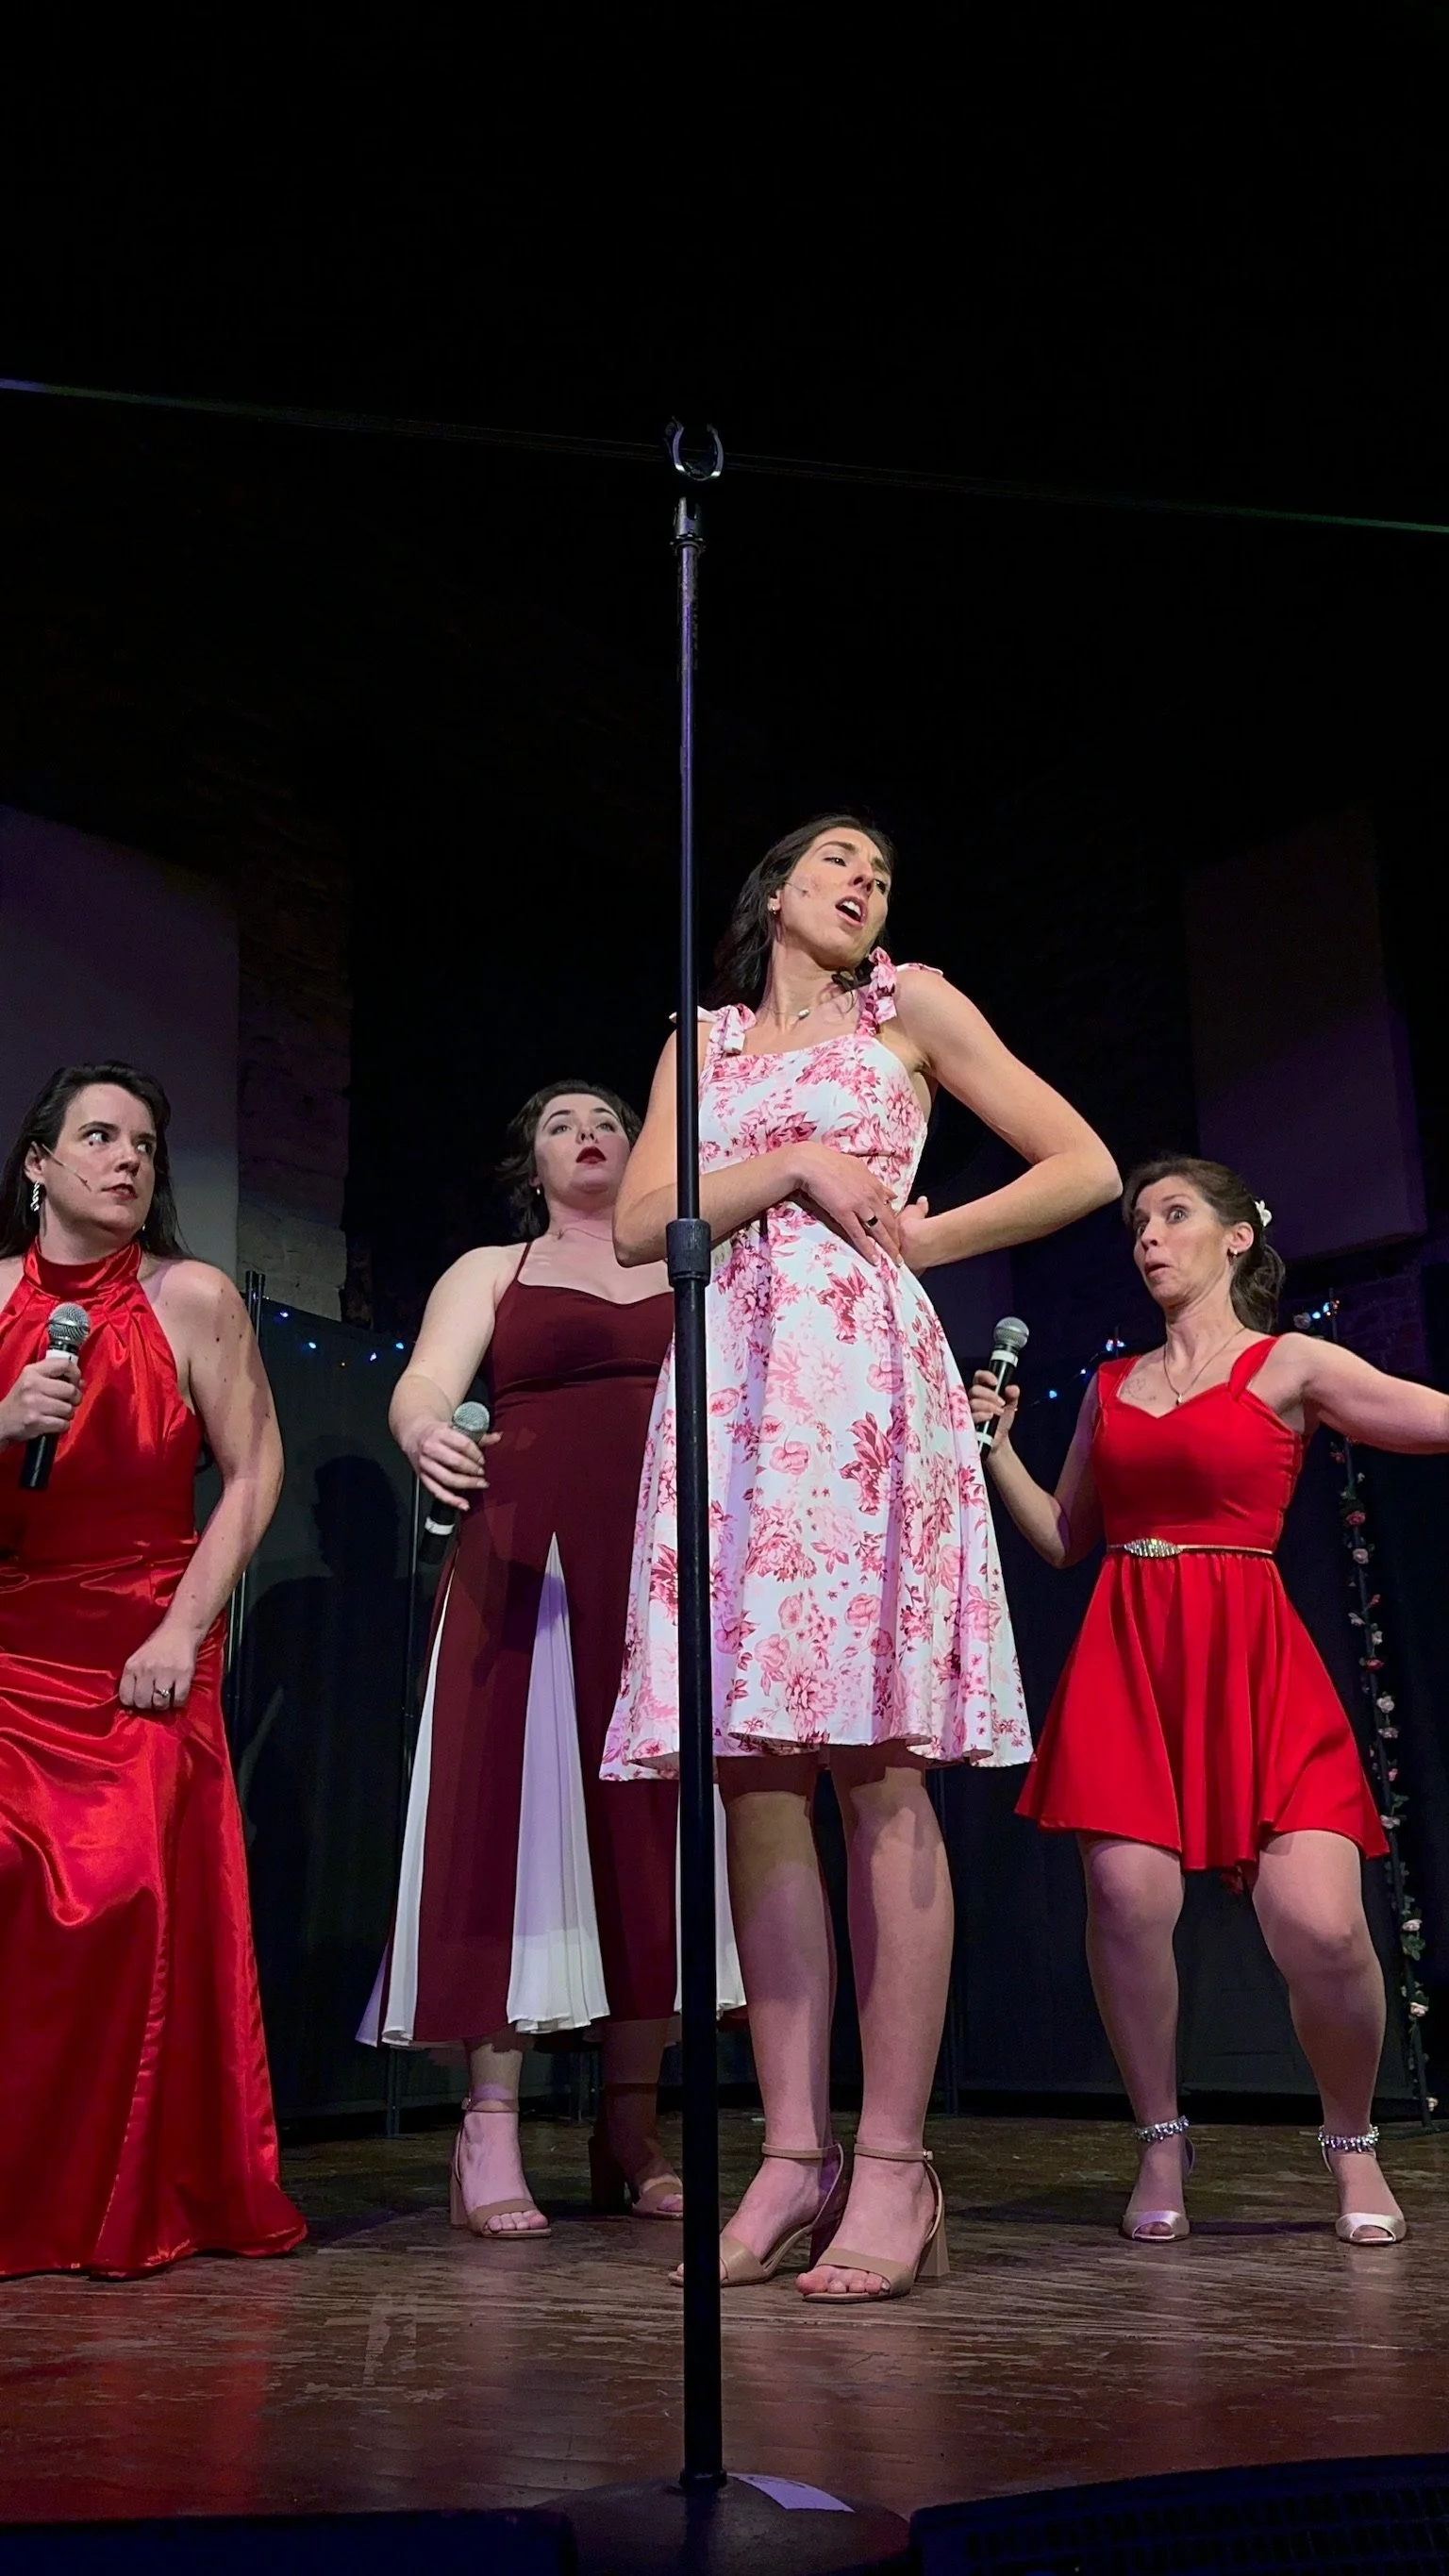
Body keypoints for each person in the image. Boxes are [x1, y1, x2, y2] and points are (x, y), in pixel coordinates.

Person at [604, 814, 1120, 2301]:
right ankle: (791, 2153)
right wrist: (792, 1162)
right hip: (728, 1395)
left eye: (882, 873)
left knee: (879, 1767)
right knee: (756, 1776)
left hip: (861, 1385)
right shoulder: (700, 1043)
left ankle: (894, 2160)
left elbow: (1082, 1162)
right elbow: (639, 1223)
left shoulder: (915, 1006)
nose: (865, 883)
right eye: (838, 861)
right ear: (774, 890)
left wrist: (924, 1240)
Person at [974, 1155, 1449, 2247]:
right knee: (1127, 1902)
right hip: (1129, 1657)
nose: (1148, 1236)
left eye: (1173, 1214)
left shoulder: (1291, 1363)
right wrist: (995, 1451)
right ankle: (1160, 2138)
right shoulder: (1110, 1386)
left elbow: (1427, 1417)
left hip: (1253, 1660)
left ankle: (1350, 2140)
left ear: (1238, 1237)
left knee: (1322, 1926)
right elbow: (1066, 1538)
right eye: (1137, 1222)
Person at [370, 1081, 740, 2238]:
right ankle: (488, 2127)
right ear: (530, 1165)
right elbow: (426, 1384)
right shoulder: (497, 1269)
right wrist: (424, 1427)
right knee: (511, 1823)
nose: (590, 1136)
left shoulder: (695, 1261)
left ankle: (629, 2128)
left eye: (611, 1123)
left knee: (651, 1827)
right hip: (531, 1560)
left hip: (663, 1564)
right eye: (561, 1125)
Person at [0, 1062, 304, 2278]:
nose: (127, 1159)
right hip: (12, 1635)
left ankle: (109, 2193)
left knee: (120, 1897)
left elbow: (256, 1469)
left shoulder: (191, 1298)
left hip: (142, 1634)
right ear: (38, 1164)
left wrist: (183, 1630)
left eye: (143, 1143)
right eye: (98, 1136)